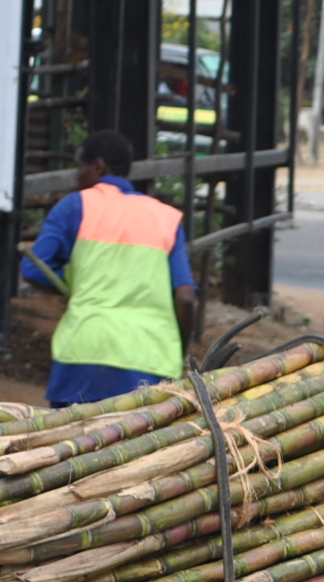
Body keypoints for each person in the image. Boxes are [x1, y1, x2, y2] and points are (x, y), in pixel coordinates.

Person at [21, 129, 200, 409]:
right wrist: (179, 350)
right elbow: (185, 298)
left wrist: (74, 286)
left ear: (98, 167)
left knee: (70, 436)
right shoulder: (166, 218)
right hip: (151, 357)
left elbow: (33, 268)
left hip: (83, 351)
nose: (76, 176)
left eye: (79, 167)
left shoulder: (76, 205)